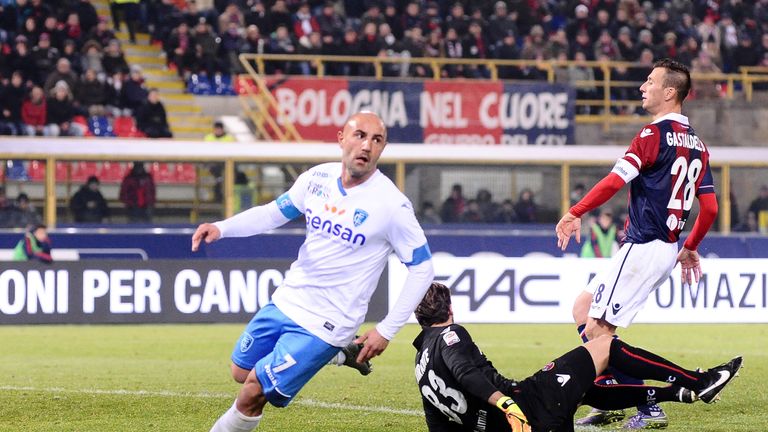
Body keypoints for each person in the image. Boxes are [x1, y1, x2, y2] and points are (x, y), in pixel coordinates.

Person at [192, 111, 434, 432]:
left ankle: (330, 347)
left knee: (252, 391)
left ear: (382, 149)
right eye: (359, 135)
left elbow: (422, 267)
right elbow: (271, 214)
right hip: (288, 300)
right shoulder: (317, 178)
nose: (366, 146)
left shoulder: (392, 205)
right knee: (240, 371)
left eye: (376, 140)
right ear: (341, 139)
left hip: (328, 320)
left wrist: (387, 330)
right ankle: (339, 354)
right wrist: (222, 228)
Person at [555, 58, 718, 429]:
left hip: (644, 245)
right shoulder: (697, 144)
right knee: (584, 307)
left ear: (669, 92)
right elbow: (709, 207)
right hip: (664, 247)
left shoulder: (653, 135)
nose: (643, 87)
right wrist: (690, 246)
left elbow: (615, 181)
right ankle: (609, 395)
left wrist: (575, 210)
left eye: (650, 81)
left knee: (598, 333)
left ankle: (647, 404)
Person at [413, 282, 743, 432]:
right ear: (450, 309)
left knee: (586, 388)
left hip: (522, 418)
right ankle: (699, 381)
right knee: (604, 347)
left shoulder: (420, 362)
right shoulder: (451, 335)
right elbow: (466, 372)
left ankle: (675, 394)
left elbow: (438, 424)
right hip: (528, 406)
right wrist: (505, 403)